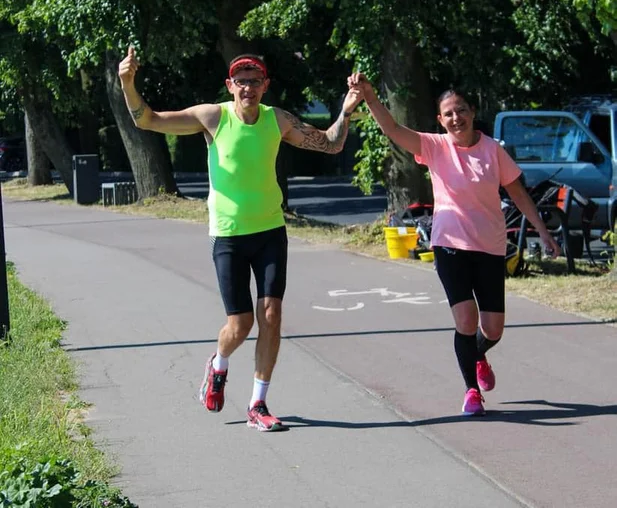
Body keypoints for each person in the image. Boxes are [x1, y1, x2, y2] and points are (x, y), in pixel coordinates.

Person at [118, 47, 362, 431]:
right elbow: (147, 120)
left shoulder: (277, 120)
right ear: (230, 86)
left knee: (271, 315)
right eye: (241, 81)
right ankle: (218, 365)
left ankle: (258, 403)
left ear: (265, 85)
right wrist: (127, 83)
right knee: (240, 323)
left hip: (270, 231)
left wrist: (346, 110)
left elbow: (330, 143)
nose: (247, 87)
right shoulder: (212, 117)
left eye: (254, 80)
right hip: (229, 235)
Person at [348, 75, 561, 416]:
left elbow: (518, 194)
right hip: (449, 247)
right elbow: (392, 129)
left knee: (492, 329)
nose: (455, 118)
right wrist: (370, 96)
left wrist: (544, 232)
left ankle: (478, 354)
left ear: (472, 111)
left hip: (490, 248)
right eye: (448, 114)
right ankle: (471, 392)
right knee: (465, 320)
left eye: (460, 110)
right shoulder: (434, 147)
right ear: (440, 120)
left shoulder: (493, 151)